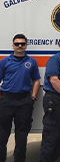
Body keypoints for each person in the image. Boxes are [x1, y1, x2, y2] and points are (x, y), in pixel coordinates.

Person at [0, 34, 40, 162]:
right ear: (13, 45)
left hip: (24, 101)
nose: (20, 46)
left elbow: (36, 80)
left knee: (22, 135)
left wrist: (32, 97)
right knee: (2, 134)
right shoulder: (4, 61)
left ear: (26, 45)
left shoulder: (31, 61)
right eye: (17, 44)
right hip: (6, 100)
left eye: (22, 44)